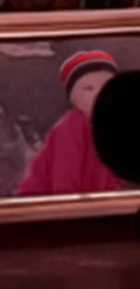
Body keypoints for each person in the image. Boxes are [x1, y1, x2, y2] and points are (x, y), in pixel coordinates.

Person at [14, 49, 126, 196]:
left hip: (92, 199)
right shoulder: (70, 128)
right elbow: (65, 179)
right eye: (88, 89)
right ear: (74, 97)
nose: (99, 94)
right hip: (44, 200)